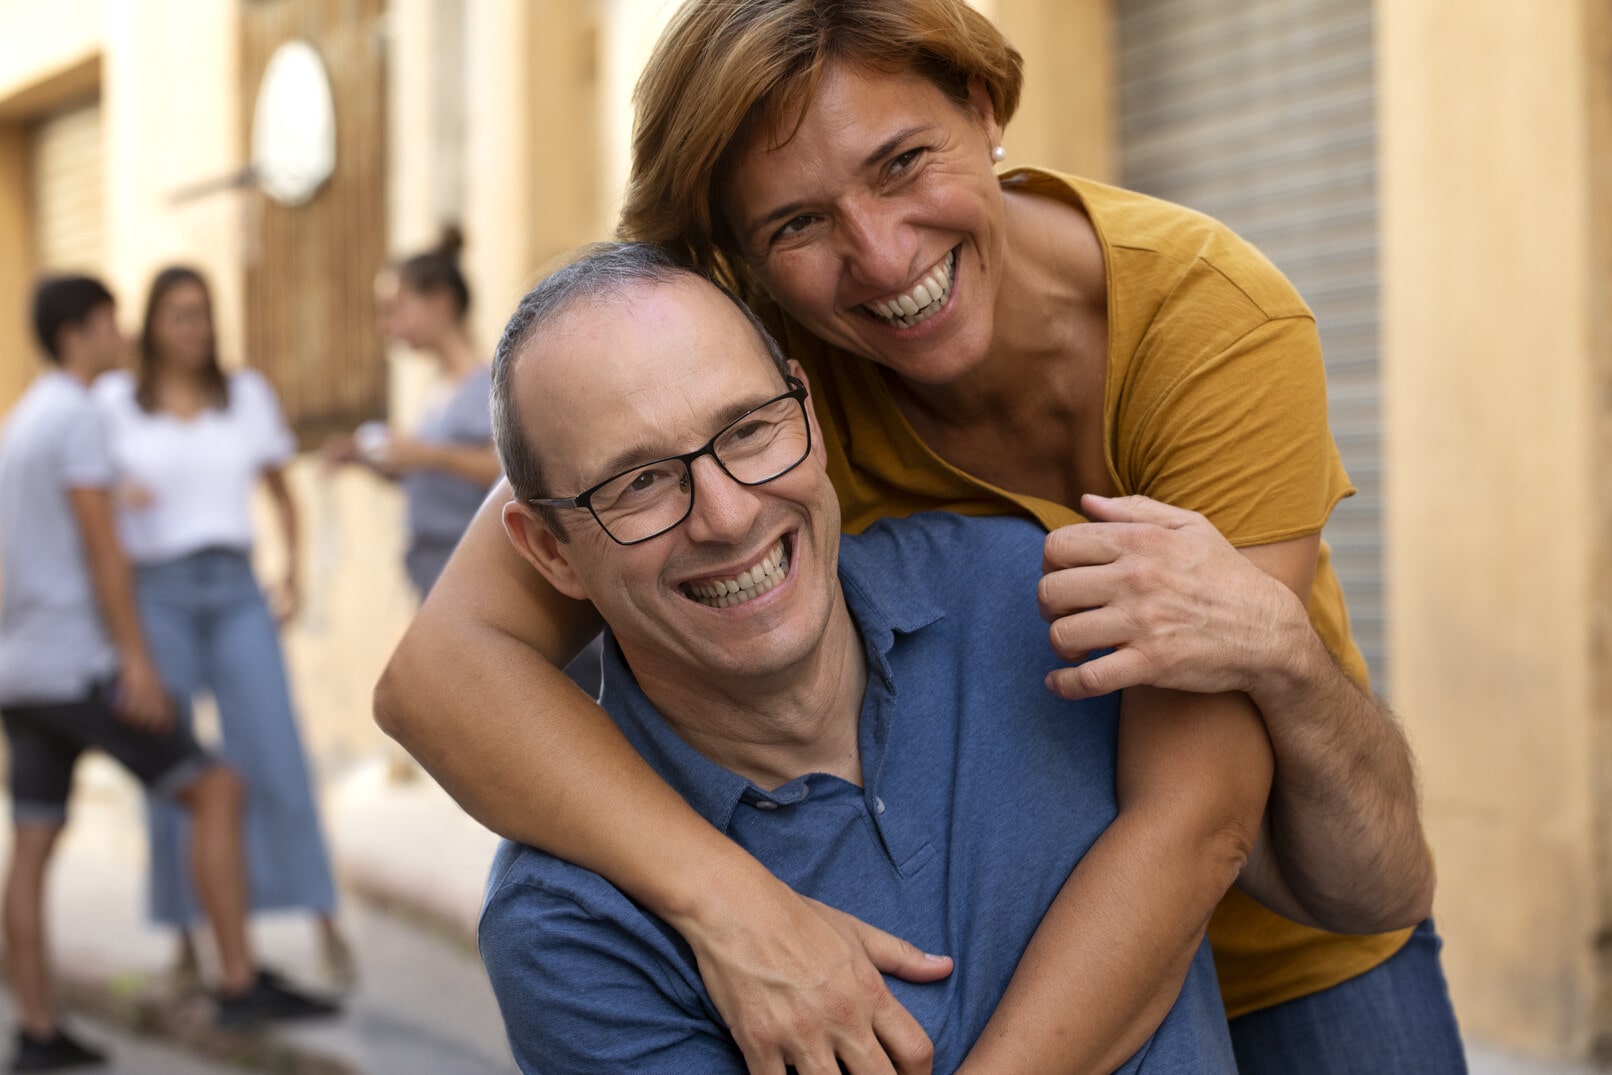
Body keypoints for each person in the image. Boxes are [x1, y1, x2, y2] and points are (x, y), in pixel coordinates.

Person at [376, 2, 1460, 1072]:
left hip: (1279, 919)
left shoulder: (1210, 324)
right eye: (795, 223)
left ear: (983, 105)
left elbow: (1200, 821)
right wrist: (732, 904)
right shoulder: (743, 382)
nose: (883, 258)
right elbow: (440, 676)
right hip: (1004, 932)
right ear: (736, 260)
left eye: (901, 163)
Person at [479, 241, 1326, 1071]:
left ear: (806, 413)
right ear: (550, 552)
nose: (728, 517)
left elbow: (1360, 883)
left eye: (746, 430)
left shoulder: (1036, 589)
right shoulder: (569, 924)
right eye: (640, 483)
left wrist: (1297, 662)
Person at [0, 276, 338, 1071]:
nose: (121, 336)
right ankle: (235, 977)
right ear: (81, 330)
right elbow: (106, 549)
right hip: (77, 665)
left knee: (33, 843)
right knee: (216, 788)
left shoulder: (25, 417)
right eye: (110, 322)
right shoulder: (85, 412)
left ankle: (37, 1032)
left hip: (20, 672)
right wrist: (138, 662)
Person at [91, 266, 350, 989]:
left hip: (235, 587)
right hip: (157, 593)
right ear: (152, 325)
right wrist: (115, 491)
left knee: (274, 750)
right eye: (177, 315)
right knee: (174, 767)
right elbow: (79, 489)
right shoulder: (115, 404)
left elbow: (280, 490)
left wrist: (291, 572)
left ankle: (321, 920)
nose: (193, 328)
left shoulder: (246, 395)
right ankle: (185, 942)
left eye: (202, 314)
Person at [326, 229, 603, 692]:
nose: (388, 326)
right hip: (436, 568)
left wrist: (424, 453)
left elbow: (507, 473)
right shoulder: (439, 393)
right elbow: (444, 478)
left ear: (440, 303)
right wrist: (374, 461)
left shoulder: (490, 383)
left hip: (491, 578)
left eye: (398, 308)